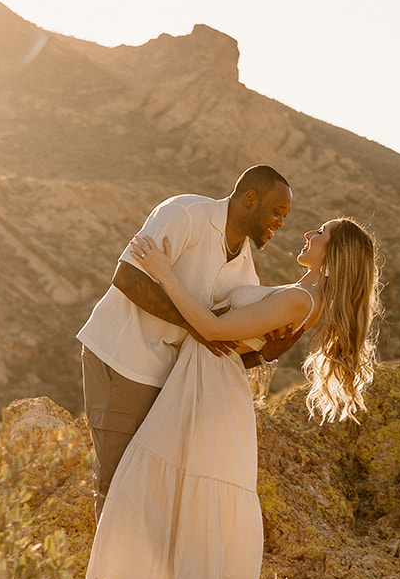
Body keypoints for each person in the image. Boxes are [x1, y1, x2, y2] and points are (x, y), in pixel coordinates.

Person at [85, 215, 381, 579]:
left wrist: (164, 273)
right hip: (203, 379)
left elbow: (214, 330)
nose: (308, 234)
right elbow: (237, 338)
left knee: (160, 486)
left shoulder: (301, 300)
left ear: (335, 255)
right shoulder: (302, 293)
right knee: (167, 488)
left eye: (321, 233)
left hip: (211, 388)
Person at [76, 165, 298, 525]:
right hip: (122, 359)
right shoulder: (184, 214)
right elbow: (127, 276)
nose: (281, 223)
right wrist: (197, 326)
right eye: (277, 211)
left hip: (168, 382)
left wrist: (264, 354)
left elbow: (218, 351)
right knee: (116, 482)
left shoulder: (246, 272)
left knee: (149, 486)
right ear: (250, 199)